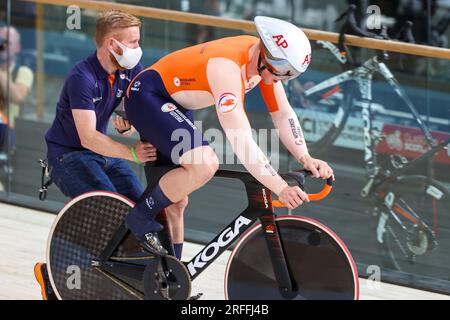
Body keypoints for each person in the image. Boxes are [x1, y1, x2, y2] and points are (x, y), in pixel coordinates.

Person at [123, 16, 334, 256]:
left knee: (177, 201)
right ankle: (139, 218)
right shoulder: (227, 67)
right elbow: (241, 140)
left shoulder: (262, 60)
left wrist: (305, 157)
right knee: (205, 164)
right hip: (148, 97)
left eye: (291, 75)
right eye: (283, 72)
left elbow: (283, 114)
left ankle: (171, 282)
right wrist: (281, 187)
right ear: (268, 56)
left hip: (174, 102)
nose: (283, 80)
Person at [34, 10, 186, 300]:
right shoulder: (82, 77)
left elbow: (140, 105)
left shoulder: (130, 68)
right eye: (132, 42)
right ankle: (53, 279)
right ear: (112, 45)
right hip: (67, 157)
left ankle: (157, 283)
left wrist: (128, 117)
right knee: (110, 211)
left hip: (102, 154)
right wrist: (132, 152)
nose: (137, 48)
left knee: (143, 211)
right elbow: (87, 136)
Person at [0, 26, 34, 151]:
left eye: (7, 43)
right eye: (0, 41)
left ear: (17, 48)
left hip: (8, 134)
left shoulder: (23, 72)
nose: (2, 46)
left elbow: (18, 97)